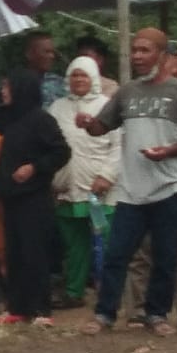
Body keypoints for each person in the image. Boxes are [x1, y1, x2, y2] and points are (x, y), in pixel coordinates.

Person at [79, 29, 177, 337]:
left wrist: (167, 152)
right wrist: (88, 123)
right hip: (133, 188)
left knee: (166, 254)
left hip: (172, 186)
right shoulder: (127, 92)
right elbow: (102, 127)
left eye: (144, 50)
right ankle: (104, 313)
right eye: (134, 50)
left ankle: (156, 313)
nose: (137, 56)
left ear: (163, 56)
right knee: (117, 253)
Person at [116, 49, 177, 331]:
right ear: (165, 62)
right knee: (142, 249)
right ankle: (137, 309)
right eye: (176, 63)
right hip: (142, 181)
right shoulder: (142, 94)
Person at [0, 69, 71, 325]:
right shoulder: (10, 118)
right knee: (15, 253)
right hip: (10, 195)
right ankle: (18, 307)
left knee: (34, 252)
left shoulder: (41, 120)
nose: (3, 91)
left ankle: (41, 309)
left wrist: (34, 167)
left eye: (8, 86)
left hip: (33, 196)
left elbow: (61, 151)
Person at [50, 56, 120, 310]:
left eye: (84, 75)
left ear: (94, 79)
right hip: (67, 186)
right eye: (75, 75)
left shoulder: (107, 106)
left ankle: (111, 292)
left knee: (108, 242)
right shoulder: (57, 108)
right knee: (74, 244)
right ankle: (74, 291)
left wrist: (107, 176)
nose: (79, 80)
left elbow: (119, 146)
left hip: (101, 186)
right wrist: (54, 180)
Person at [24, 32, 63, 108]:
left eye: (52, 52)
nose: (52, 56)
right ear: (29, 54)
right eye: (46, 52)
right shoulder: (16, 85)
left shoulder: (60, 84)